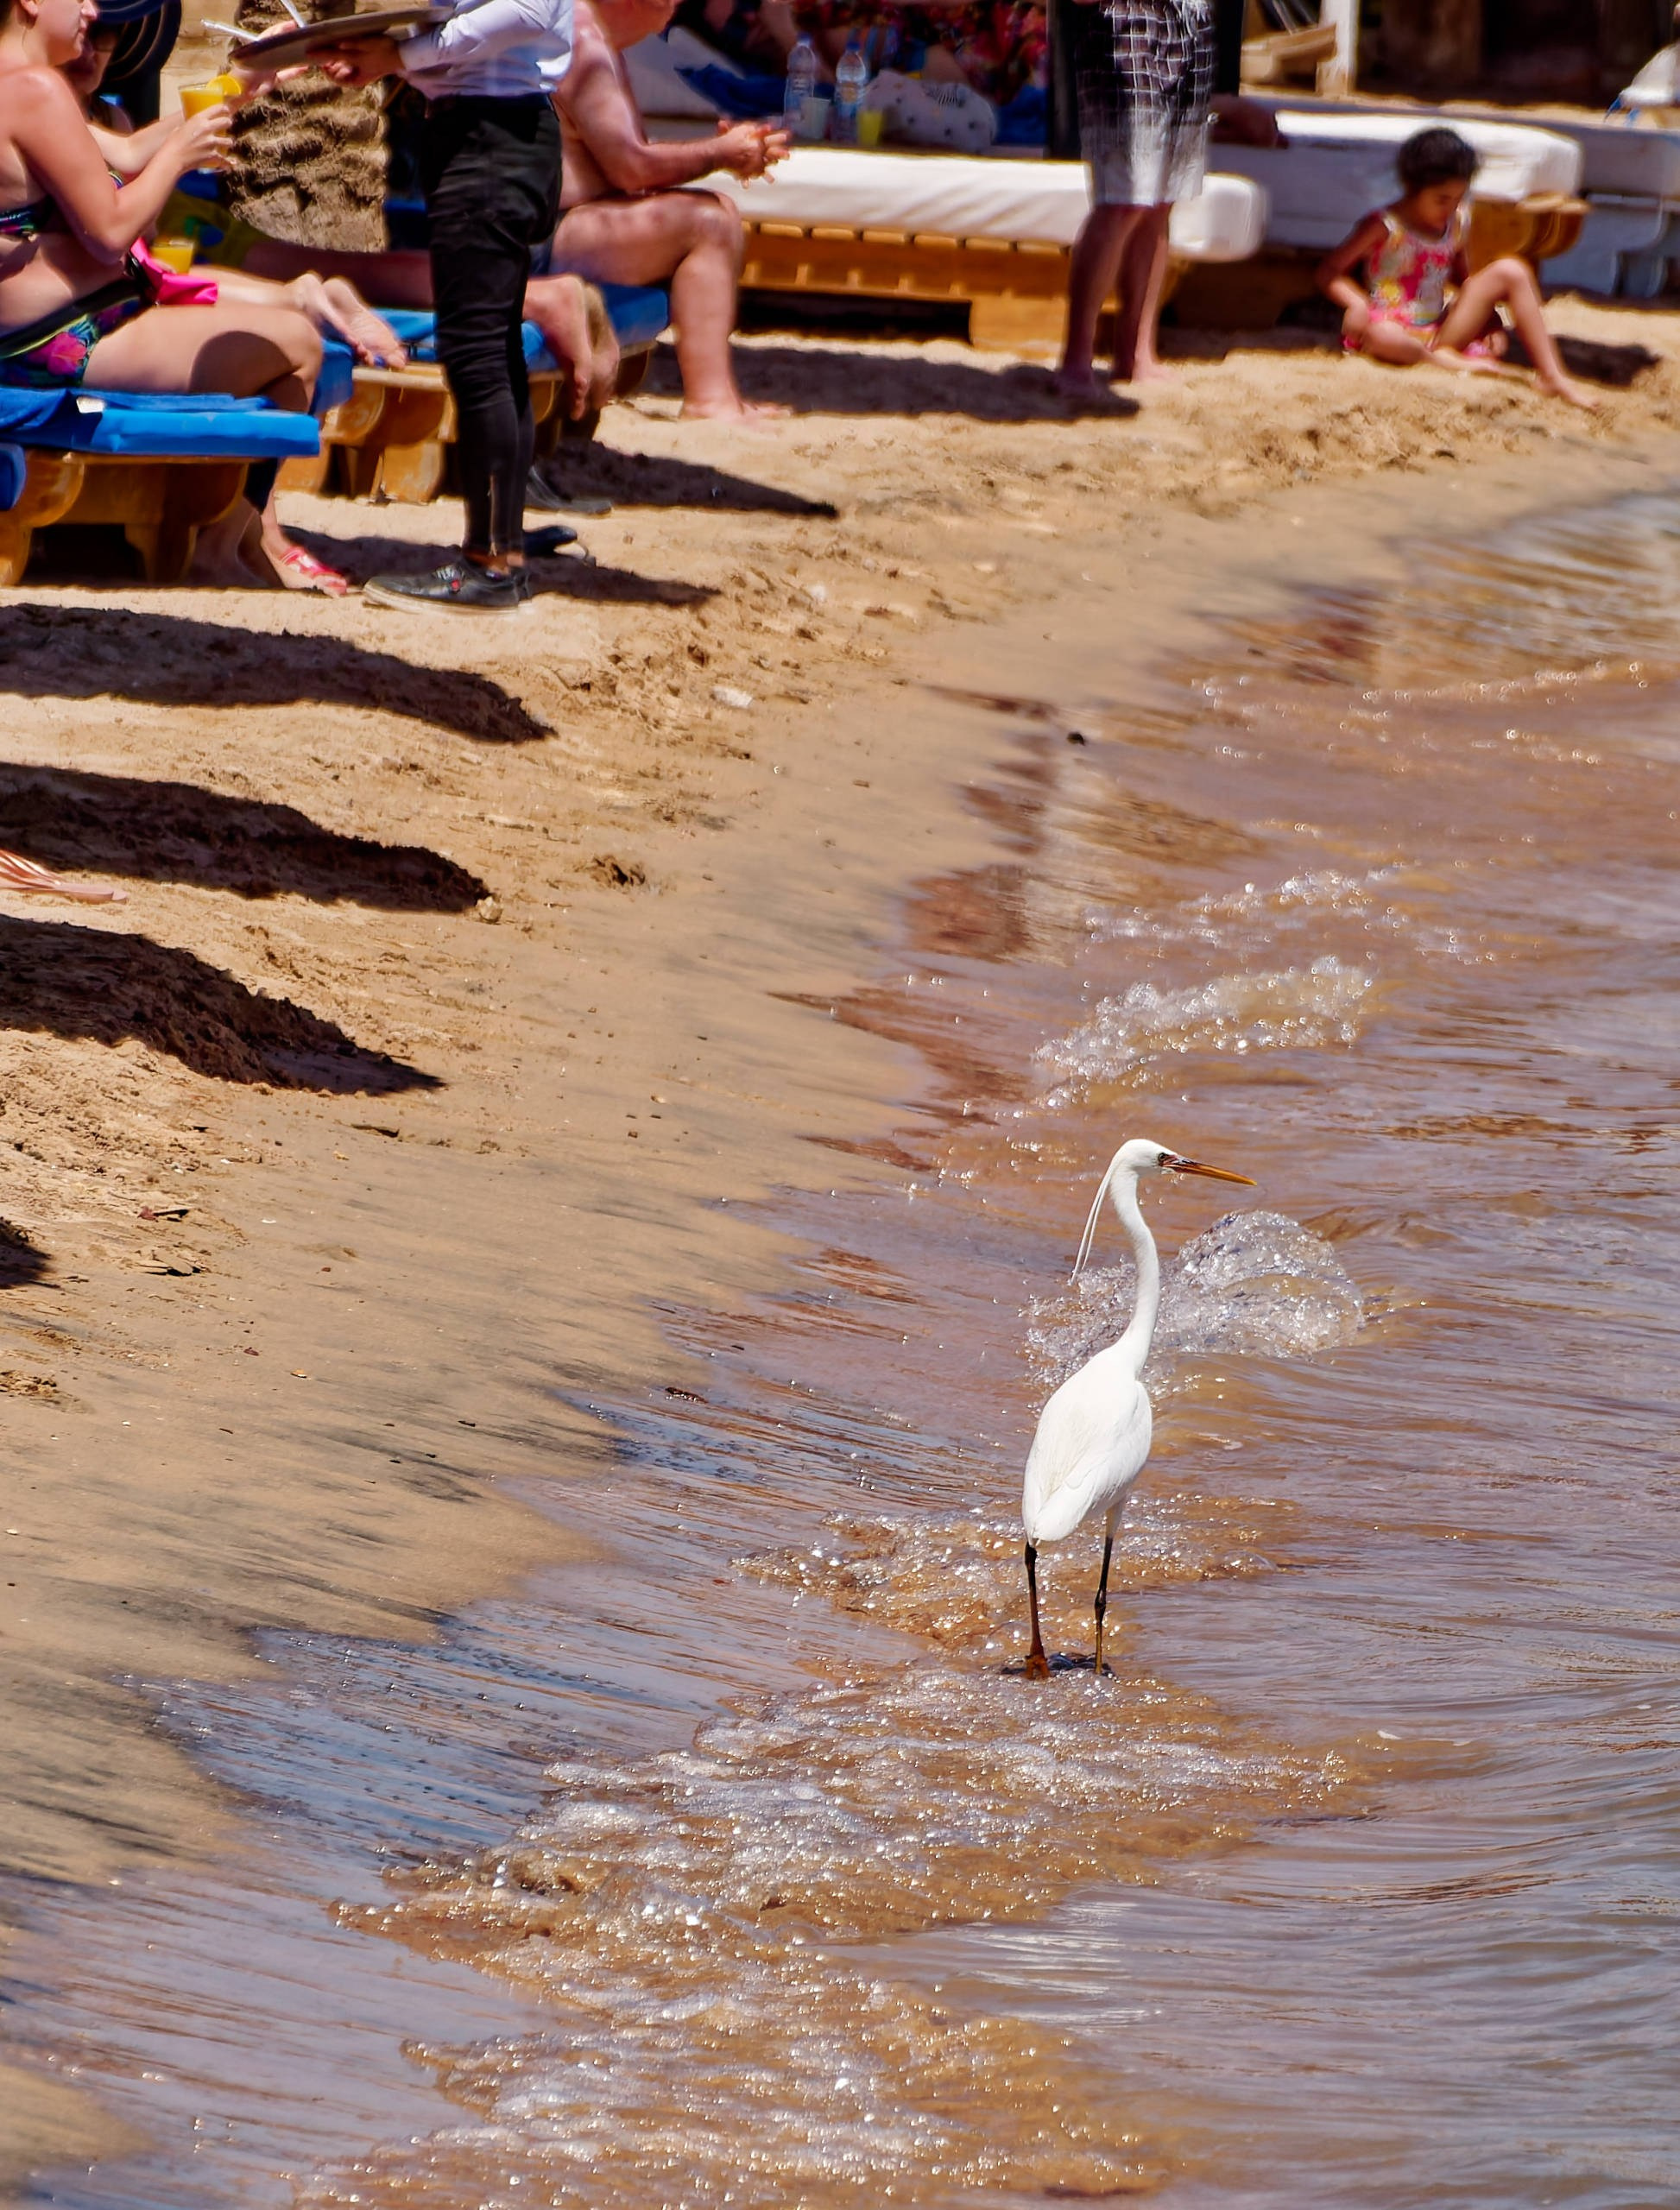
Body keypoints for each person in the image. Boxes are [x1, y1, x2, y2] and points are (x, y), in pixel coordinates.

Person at [0, 0, 326, 588]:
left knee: (273, 324)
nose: (92, 11)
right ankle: (221, 545)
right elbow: (109, 232)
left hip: (46, 341)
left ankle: (228, 536)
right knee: (300, 345)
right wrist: (180, 158)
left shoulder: (18, 87)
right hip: (59, 347)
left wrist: (243, 80)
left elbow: (126, 153)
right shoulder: (33, 90)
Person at [318, 0, 576, 615]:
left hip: (492, 142)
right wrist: (371, 53)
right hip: (486, 135)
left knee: (477, 352)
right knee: (491, 350)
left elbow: (525, 9)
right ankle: (501, 550)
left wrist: (399, 57)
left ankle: (490, 562)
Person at [546, 0, 789, 423]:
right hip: (543, 234)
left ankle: (715, 397)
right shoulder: (582, 41)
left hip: (567, 222)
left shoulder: (598, 41)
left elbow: (626, 166)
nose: (676, 7)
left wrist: (725, 152)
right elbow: (629, 168)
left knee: (716, 213)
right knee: (708, 222)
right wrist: (718, 153)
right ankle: (710, 401)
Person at [1317, 126, 1596, 411]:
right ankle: (1440, 361)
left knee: (1512, 270)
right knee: (1381, 336)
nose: (1450, 208)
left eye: (1458, 199)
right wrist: (1356, 303)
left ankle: (1552, 375)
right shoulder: (1384, 226)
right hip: (1392, 327)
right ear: (1413, 189)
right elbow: (1329, 271)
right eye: (1441, 200)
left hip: (1439, 331)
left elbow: (1468, 283)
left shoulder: (1457, 224)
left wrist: (1491, 324)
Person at [1055, 0, 1213, 395]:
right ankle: (1076, 359)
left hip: (1189, 20)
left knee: (1162, 199)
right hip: (1126, 22)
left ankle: (1136, 353)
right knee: (1124, 201)